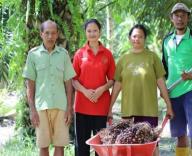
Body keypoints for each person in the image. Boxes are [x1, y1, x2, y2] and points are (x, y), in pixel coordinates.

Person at [108, 24, 174, 156]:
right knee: (129, 146)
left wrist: (169, 106)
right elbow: (117, 86)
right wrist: (109, 108)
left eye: (140, 36)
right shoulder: (123, 59)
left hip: (148, 110)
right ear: (129, 38)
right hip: (129, 111)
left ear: (145, 39)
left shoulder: (152, 57)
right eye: (134, 36)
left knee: (152, 145)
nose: (137, 39)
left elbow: (161, 83)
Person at [162, 3, 192, 156]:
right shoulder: (166, 41)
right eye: (177, 15)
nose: (180, 18)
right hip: (173, 92)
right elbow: (164, 68)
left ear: (188, 18)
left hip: (191, 90)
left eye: (183, 15)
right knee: (179, 133)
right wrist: (163, 88)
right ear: (172, 18)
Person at [22, 20, 76, 156]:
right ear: (41, 34)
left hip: (61, 106)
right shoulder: (33, 55)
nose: (50, 37)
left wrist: (70, 108)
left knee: (60, 145)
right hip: (41, 107)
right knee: (43, 146)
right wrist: (32, 109)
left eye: (53, 33)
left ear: (57, 35)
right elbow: (30, 85)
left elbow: (69, 83)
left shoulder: (63, 54)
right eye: (47, 33)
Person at [72, 19, 116, 156]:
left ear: (100, 32)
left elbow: (113, 79)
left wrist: (102, 89)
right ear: (85, 33)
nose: (92, 33)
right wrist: (85, 91)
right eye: (89, 31)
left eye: (95, 30)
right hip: (82, 107)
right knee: (82, 146)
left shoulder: (107, 54)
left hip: (101, 107)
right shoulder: (79, 54)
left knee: (100, 147)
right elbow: (73, 80)